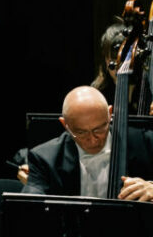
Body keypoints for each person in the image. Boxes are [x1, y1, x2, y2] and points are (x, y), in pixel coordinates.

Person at [22, 85, 153, 200]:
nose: (92, 139)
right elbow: (30, 207)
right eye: (81, 132)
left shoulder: (145, 143)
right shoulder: (45, 159)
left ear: (109, 113)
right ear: (65, 124)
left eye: (99, 129)